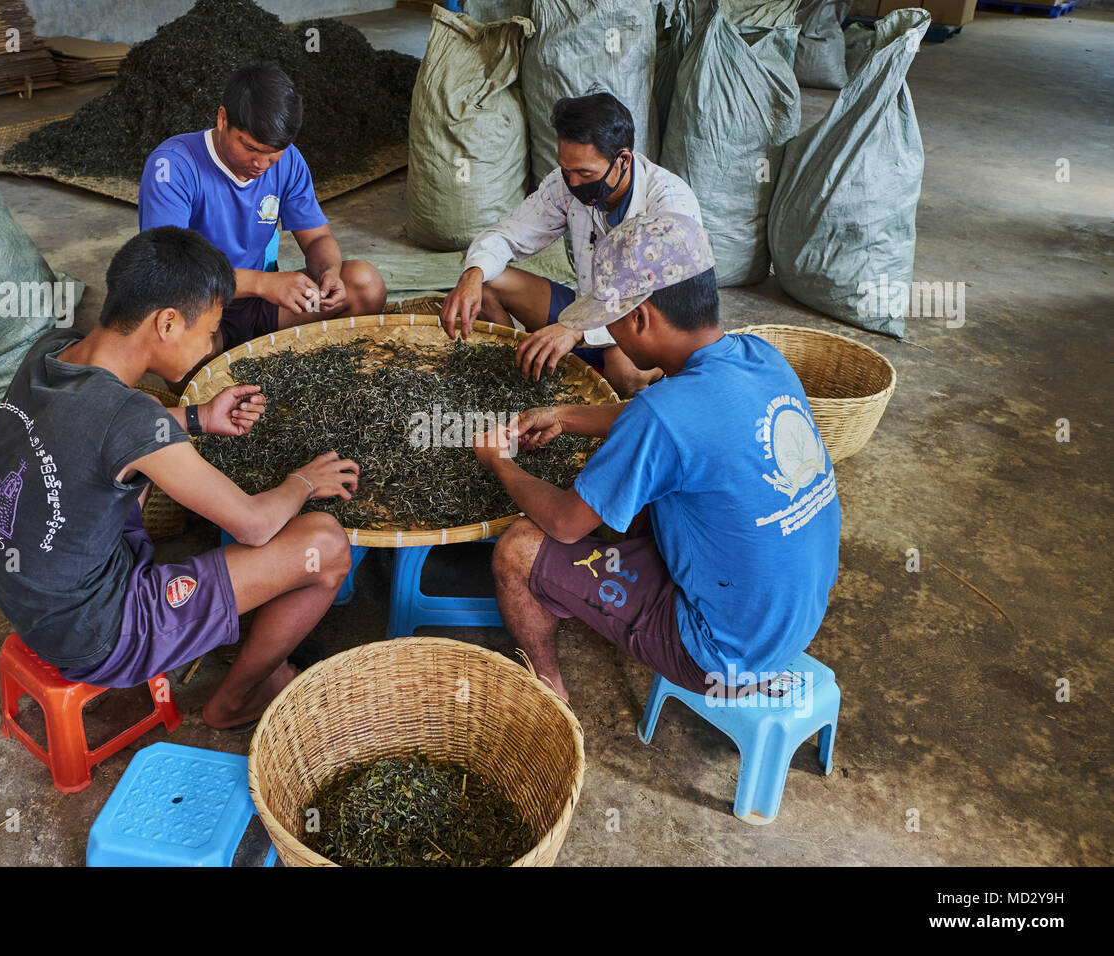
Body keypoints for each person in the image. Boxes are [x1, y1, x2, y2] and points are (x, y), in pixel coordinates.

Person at [0, 227, 361, 730]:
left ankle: (193, 617)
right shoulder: (128, 418)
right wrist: (304, 481)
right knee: (325, 544)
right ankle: (234, 702)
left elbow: (103, 427)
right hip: (91, 633)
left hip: (18, 587)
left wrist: (198, 418)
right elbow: (255, 526)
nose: (211, 344)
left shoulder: (54, 351)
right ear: (168, 323)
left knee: (151, 408)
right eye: (209, 330)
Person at [472, 214, 841, 704]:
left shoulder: (663, 416)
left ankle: (548, 691)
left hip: (721, 653)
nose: (609, 336)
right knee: (648, 487)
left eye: (611, 323)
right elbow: (673, 420)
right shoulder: (760, 355)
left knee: (518, 549)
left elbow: (564, 524)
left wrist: (501, 462)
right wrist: (564, 415)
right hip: (791, 615)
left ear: (641, 318)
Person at [439, 92, 704, 398]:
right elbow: (508, 235)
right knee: (488, 283)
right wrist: (472, 273)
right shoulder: (564, 183)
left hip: (641, 325)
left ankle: (613, 394)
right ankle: (516, 377)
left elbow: (665, 306)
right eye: (566, 169)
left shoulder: (669, 205)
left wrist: (576, 330)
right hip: (585, 306)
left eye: (585, 173)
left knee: (625, 372)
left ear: (623, 160)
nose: (574, 183)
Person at [138, 61, 386, 369]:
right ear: (222, 118)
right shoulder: (173, 166)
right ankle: (235, 358)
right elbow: (169, 272)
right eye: (250, 148)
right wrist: (264, 283)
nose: (261, 164)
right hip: (198, 306)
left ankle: (267, 359)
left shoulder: (289, 160)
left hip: (265, 304)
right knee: (181, 351)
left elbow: (318, 237)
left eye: (273, 154)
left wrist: (329, 273)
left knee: (364, 284)